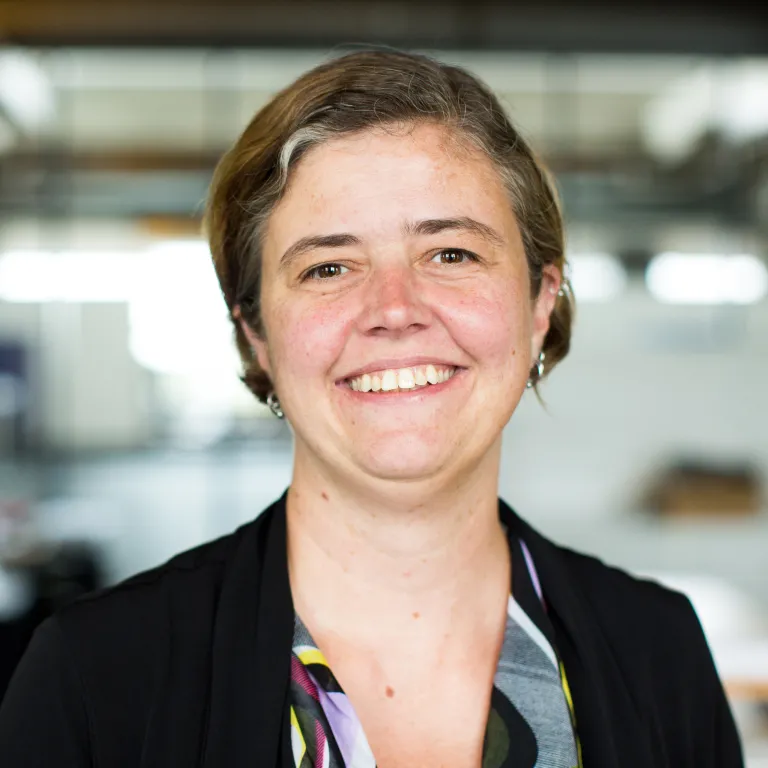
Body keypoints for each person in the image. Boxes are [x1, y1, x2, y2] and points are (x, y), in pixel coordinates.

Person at [0, 49, 743, 768]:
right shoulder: (93, 679)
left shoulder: (659, 652)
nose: (394, 309)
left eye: (451, 254)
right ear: (256, 334)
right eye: (328, 267)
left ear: (540, 302)